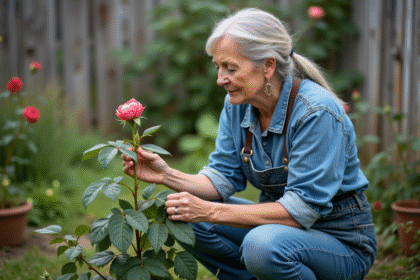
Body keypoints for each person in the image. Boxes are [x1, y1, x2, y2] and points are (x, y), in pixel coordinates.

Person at [121, 8, 377, 280]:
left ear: (268, 66)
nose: (221, 79)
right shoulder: (239, 105)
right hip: (279, 233)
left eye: (231, 68)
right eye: (218, 67)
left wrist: (209, 211)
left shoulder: (316, 113)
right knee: (175, 210)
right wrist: (165, 175)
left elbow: (300, 212)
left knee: (261, 245)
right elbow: (222, 178)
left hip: (340, 245)